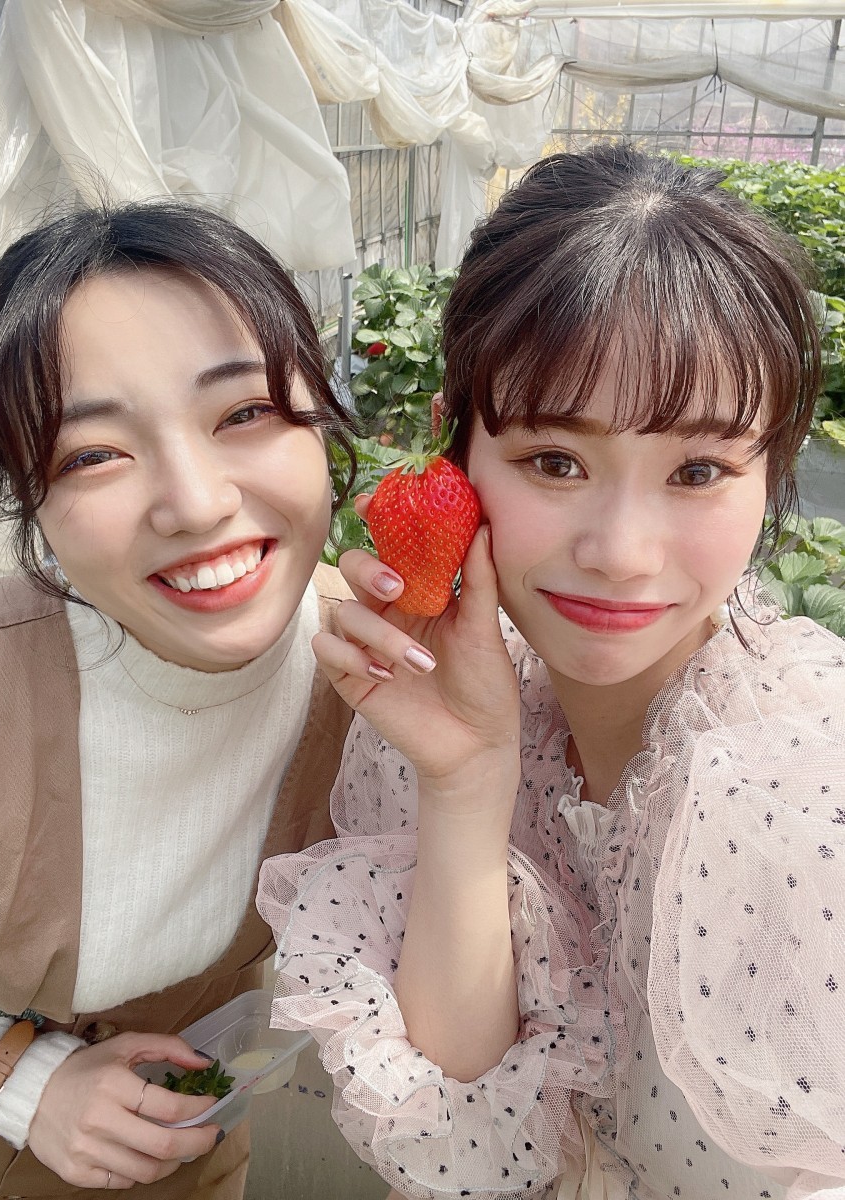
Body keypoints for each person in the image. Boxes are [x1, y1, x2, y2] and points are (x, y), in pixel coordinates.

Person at [257, 145, 845, 1200]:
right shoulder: (472, 709)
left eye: (698, 470)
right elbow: (467, 1153)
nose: (621, 552)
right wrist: (467, 778)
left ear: (771, 475)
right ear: (453, 452)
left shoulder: (806, 796)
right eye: (556, 462)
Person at [0, 200, 357, 1198]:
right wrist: (16, 1079)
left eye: (245, 413)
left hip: (191, 1152)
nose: (197, 503)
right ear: (34, 504)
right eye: (93, 454)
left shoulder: (379, 673)